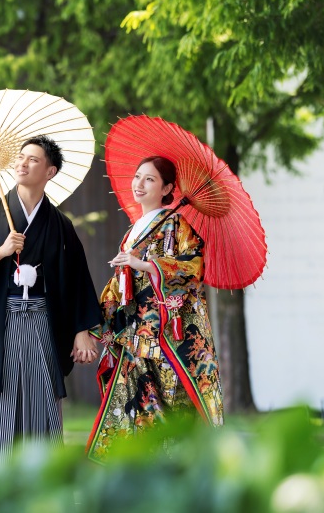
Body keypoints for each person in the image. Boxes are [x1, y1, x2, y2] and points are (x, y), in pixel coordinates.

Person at [0, 135, 102, 471]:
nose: (21, 163)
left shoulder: (60, 225)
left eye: (32, 159)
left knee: (41, 398)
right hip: (1, 322)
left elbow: (77, 278)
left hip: (42, 323)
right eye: (19, 157)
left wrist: (81, 331)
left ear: (51, 171)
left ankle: (41, 480)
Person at [85, 156, 224, 464]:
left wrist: (145, 265)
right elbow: (119, 286)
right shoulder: (134, 230)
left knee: (167, 404)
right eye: (137, 177)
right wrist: (94, 320)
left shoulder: (176, 223)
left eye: (149, 179)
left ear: (168, 188)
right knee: (134, 406)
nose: (139, 184)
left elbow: (194, 267)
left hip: (166, 336)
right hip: (134, 335)